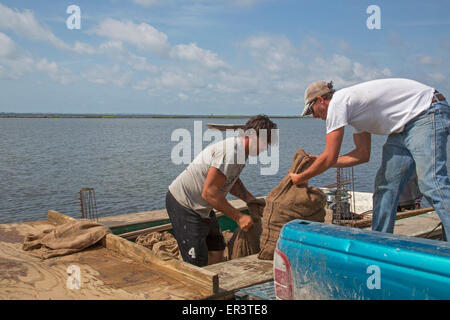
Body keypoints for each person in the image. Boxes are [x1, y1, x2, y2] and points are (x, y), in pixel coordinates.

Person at [289, 78, 449, 240]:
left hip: (427, 111)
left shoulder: (338, 103)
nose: (314, 116)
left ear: (321, 100)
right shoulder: (356, 114)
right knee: (385, 187)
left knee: (432, 183)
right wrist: (320, 162)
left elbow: (330, 157)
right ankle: (379, 241)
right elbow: (362, 155)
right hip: (404, 125)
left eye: (311, 110)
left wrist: (302, 177)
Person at [166, 115, 278, 266]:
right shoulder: (231, 151)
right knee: (196, 262)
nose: (266, 148)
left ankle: (215, 285)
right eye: (265, 143)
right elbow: (209, 192)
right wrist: (239, 217)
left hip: (203, 206)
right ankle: (203, 287)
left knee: (217, 249)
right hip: (184, 204)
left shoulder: (241, 153)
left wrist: (250, 200)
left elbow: (231, 181)